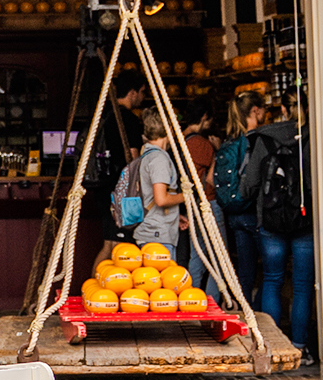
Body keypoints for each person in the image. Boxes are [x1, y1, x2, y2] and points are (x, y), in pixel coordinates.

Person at [243, 92, 315, 363]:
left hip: (271, 220)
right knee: (302, 285)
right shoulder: (314, 135)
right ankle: (300, 346)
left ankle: (271, 346)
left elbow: (249, 185)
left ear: (283, 109)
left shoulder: (264, 138)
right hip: (304, 220)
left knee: (272, 280)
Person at [212, 91, 267, 309]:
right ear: (255, 111)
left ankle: (246, 314)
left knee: (245, 271)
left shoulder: (229, 142)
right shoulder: (257, 141)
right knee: (271, 272)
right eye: (263, 110)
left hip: (234, 213)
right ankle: (261, 314)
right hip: (254, 211)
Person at [90, 70, 148, 275]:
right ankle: (101, 290)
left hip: (102, 187)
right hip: (120, 191)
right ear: (132, 92)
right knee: (118, 246)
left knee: (110, 243)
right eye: (141, 92)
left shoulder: (104, 115)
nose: (142, 97)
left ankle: (96, 289)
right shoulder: (128, 121)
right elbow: (132, 158)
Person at [174, 98, 224, 302]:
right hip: (207, 203)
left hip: (188, 205)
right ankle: (213, 302)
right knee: (218, 258)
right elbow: (211, 178)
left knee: (197, 257)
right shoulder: (202, 144)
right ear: (204, 118)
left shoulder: (177, 140)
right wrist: (217, 152)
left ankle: (190, 300)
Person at [129, 108, 185, 250]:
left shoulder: (147, 155)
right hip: (157, 234)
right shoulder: (159, 159)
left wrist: (175, 216)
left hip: (153, 230)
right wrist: (186, 197)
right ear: (169, 129)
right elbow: (161, 199)